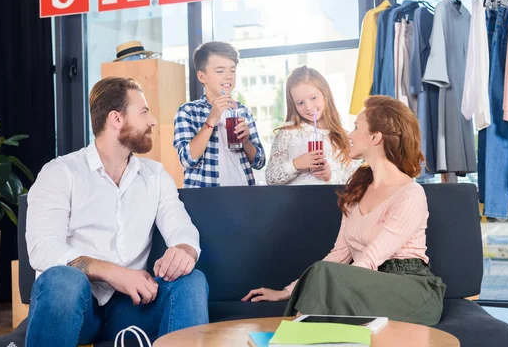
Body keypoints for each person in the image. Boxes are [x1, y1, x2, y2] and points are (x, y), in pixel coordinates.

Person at [25, 77, 209, 346]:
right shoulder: (60, 172)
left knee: (191, 280)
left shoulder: (155, 175)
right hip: (77, 305)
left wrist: (184, 250)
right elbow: (43, 248)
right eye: (144, 112)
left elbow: (179, 224)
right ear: (116, 119)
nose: (152, 121)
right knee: (63, 280)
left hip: (130, 306)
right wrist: (113, 273)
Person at [243, 96, 446, 326]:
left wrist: (336, 285)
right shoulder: (357, 190)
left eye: (357, 127)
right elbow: (339, 254)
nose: (349, 135)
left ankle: (293, 336)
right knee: (324, 272)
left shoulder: (410, 193)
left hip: (411, 290)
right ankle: (298, 335)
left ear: (375, 137)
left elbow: (371, 259)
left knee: (325, 275)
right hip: (366, 284)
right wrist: (288, 291)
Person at [173, 41, 265, 187]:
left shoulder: (243, 111)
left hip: (244, 195)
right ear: (202, 77)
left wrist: (246, 142)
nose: (228, 76)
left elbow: (260, 162)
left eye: (232, 70)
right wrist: (212, 118)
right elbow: (187, 159)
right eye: (220, 71)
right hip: (207, 199)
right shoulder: (188, 111)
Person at [265, 66, 360, 185]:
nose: (309, 107)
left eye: (313, 98)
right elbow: (270, 178)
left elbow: (354, 181)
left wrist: (330, 176)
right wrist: (296, 164)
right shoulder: (288, 133)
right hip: (294, 203)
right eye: (300, 103)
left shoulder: (345, 136)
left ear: (325, 94)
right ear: (293, 104)